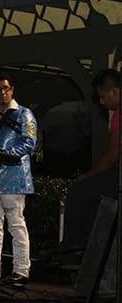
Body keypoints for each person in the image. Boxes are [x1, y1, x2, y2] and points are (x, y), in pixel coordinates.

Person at [60, 68, 121, 255]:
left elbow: (112, 157)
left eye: (103, 97)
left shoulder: (118, 114)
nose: (102, 102)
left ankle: (77, 247)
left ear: (115, 92)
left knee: (79, 192)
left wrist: (87, 176)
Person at [0, 74, 37, 287]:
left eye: (5, 88)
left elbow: (29, 142)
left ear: (12, 90)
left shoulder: (24, 113)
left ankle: (21, 270)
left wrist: (1, 154)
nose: (2, 93)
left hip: (13, 177)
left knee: (15, 224)